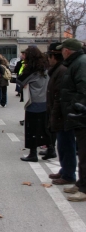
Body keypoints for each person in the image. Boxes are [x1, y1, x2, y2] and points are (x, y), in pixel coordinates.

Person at [42, 42, 76, 186]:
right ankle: (64, 170)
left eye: (49, 56)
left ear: (53, 57)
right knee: (62, 144)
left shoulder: (61, 70)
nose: (47, 60)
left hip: (63, 114)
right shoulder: (57, 70)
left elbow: (59, 96)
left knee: (66, 145)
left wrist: (55, 113)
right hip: (59, 113)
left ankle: (68, 174)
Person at [57, 38, 86, 202]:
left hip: (81, 115)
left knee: (84, 153)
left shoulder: (80, 63)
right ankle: (81, 183)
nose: (61, 53)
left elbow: (83, 88)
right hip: (77, 114)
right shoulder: (76, 63)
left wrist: (78, 108)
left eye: (63, 50)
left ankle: (84, 188)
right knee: (81, 151)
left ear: (67, 51)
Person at [16, 46, 50, 162]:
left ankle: (33, 153)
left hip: (33, 101)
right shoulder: (45, 67)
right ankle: (50, 149)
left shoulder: (31, 70)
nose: (23, 57)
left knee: (32, 129)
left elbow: (20, 80)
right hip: (45, 100)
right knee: (44, 127)